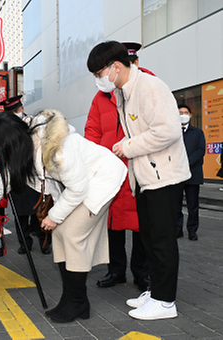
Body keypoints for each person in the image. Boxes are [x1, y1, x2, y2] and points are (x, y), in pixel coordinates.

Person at [0, 111, 127, 323]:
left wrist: (54, 216)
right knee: (61, 235)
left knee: (72, 235)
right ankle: (71, 299)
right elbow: (9, 174)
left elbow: (78, 189)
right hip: (80, 185)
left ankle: (77, 301)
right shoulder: (26, 142)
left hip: (100, 180)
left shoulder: (57, 152)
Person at [87, 41, 191, 320]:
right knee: (149, 237)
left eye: (99, 73)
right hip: (146, 177)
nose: (99, 80)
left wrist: (127, 146)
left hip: (165, 176)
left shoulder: (149, 87)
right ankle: (156, 291)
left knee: (162, 240)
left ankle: (165, 301)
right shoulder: (125, 92)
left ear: (116, 67)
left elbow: (168, 132)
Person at [85, 42, 150, 292]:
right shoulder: (101, 98)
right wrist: (95, 158)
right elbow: (92, 129)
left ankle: (142, 273)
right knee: (113, 224)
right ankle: (116, 270)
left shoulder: (145, 87)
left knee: (141, 223)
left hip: (138, 165)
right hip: (111, 170)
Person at [0, 95, 51, 255]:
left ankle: (45, 242)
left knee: (39, 212)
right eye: (11, 112)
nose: (15, 114)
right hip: (17, 176)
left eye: (16, 110)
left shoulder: (35, 124)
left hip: (35, 175)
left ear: (22, 108)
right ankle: (24, 243)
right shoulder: (5, 128)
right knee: (20, 214)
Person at [177, 104, 205, 241]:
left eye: (185, 112)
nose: (183, 114)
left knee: (192, 205)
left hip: (193, 173)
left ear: (190, 115)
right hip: (176, 175)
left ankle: (192, 230)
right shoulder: (173, 132)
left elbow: (201, 150)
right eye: (180, 112)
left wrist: (186, 162)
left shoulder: (198, 132)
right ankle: (177, 229)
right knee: (176, 205)